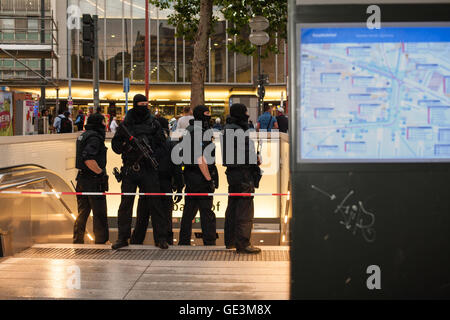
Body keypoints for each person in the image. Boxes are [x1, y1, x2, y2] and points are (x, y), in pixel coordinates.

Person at [111, 94, 170, 250]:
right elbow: (116, 146)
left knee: (155, 204)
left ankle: (161, 238)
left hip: (149, 169)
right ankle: (123, 237)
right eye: (141, 104)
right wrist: (128, 147)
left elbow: (162, 146)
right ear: (135, 104)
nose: (144, 106)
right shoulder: (126, 124)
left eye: (146, 104)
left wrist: (151, 155)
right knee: (126, 205)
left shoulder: (154, 124)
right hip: (131, 168)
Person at [131, 117, 184, 246]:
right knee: (165, 217)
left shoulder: (145, 143)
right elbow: (176, 168)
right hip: (164, 184)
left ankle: (136, 242)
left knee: (142, 218)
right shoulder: (170, 144)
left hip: (147, 184)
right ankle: (164, 241)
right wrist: (179, 187)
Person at [221, 103, 262, 254]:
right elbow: (246, 153)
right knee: (245, 209)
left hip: (232, 173)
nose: (247, 114)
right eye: (245, 112)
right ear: (240, 113)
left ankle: (231, 241)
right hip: (243, 173)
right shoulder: (238, 130)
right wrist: (256, 160)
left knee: (232, 207)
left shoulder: (227, 128)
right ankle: (243, 243)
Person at [178, 105, 218, 246]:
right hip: (200, 178)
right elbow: (200, 157)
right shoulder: (199, 132)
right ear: (201, 114)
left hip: (190, 176)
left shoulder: (191, 130)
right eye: (207, 112)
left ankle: (183, 242)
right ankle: (209, 242)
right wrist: (208, 178)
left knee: (188, 213)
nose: (209, 115)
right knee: (207, 213)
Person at [73, 113, 109, 244]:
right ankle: (101, 242)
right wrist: (100, 173)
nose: (105, 125)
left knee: (82, 213)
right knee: (99, 213)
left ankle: (78, 241)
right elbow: (88, 158)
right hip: (93, 181)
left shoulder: (83, 135)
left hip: (81, 179)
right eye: (103, 122)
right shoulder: (95, 138)